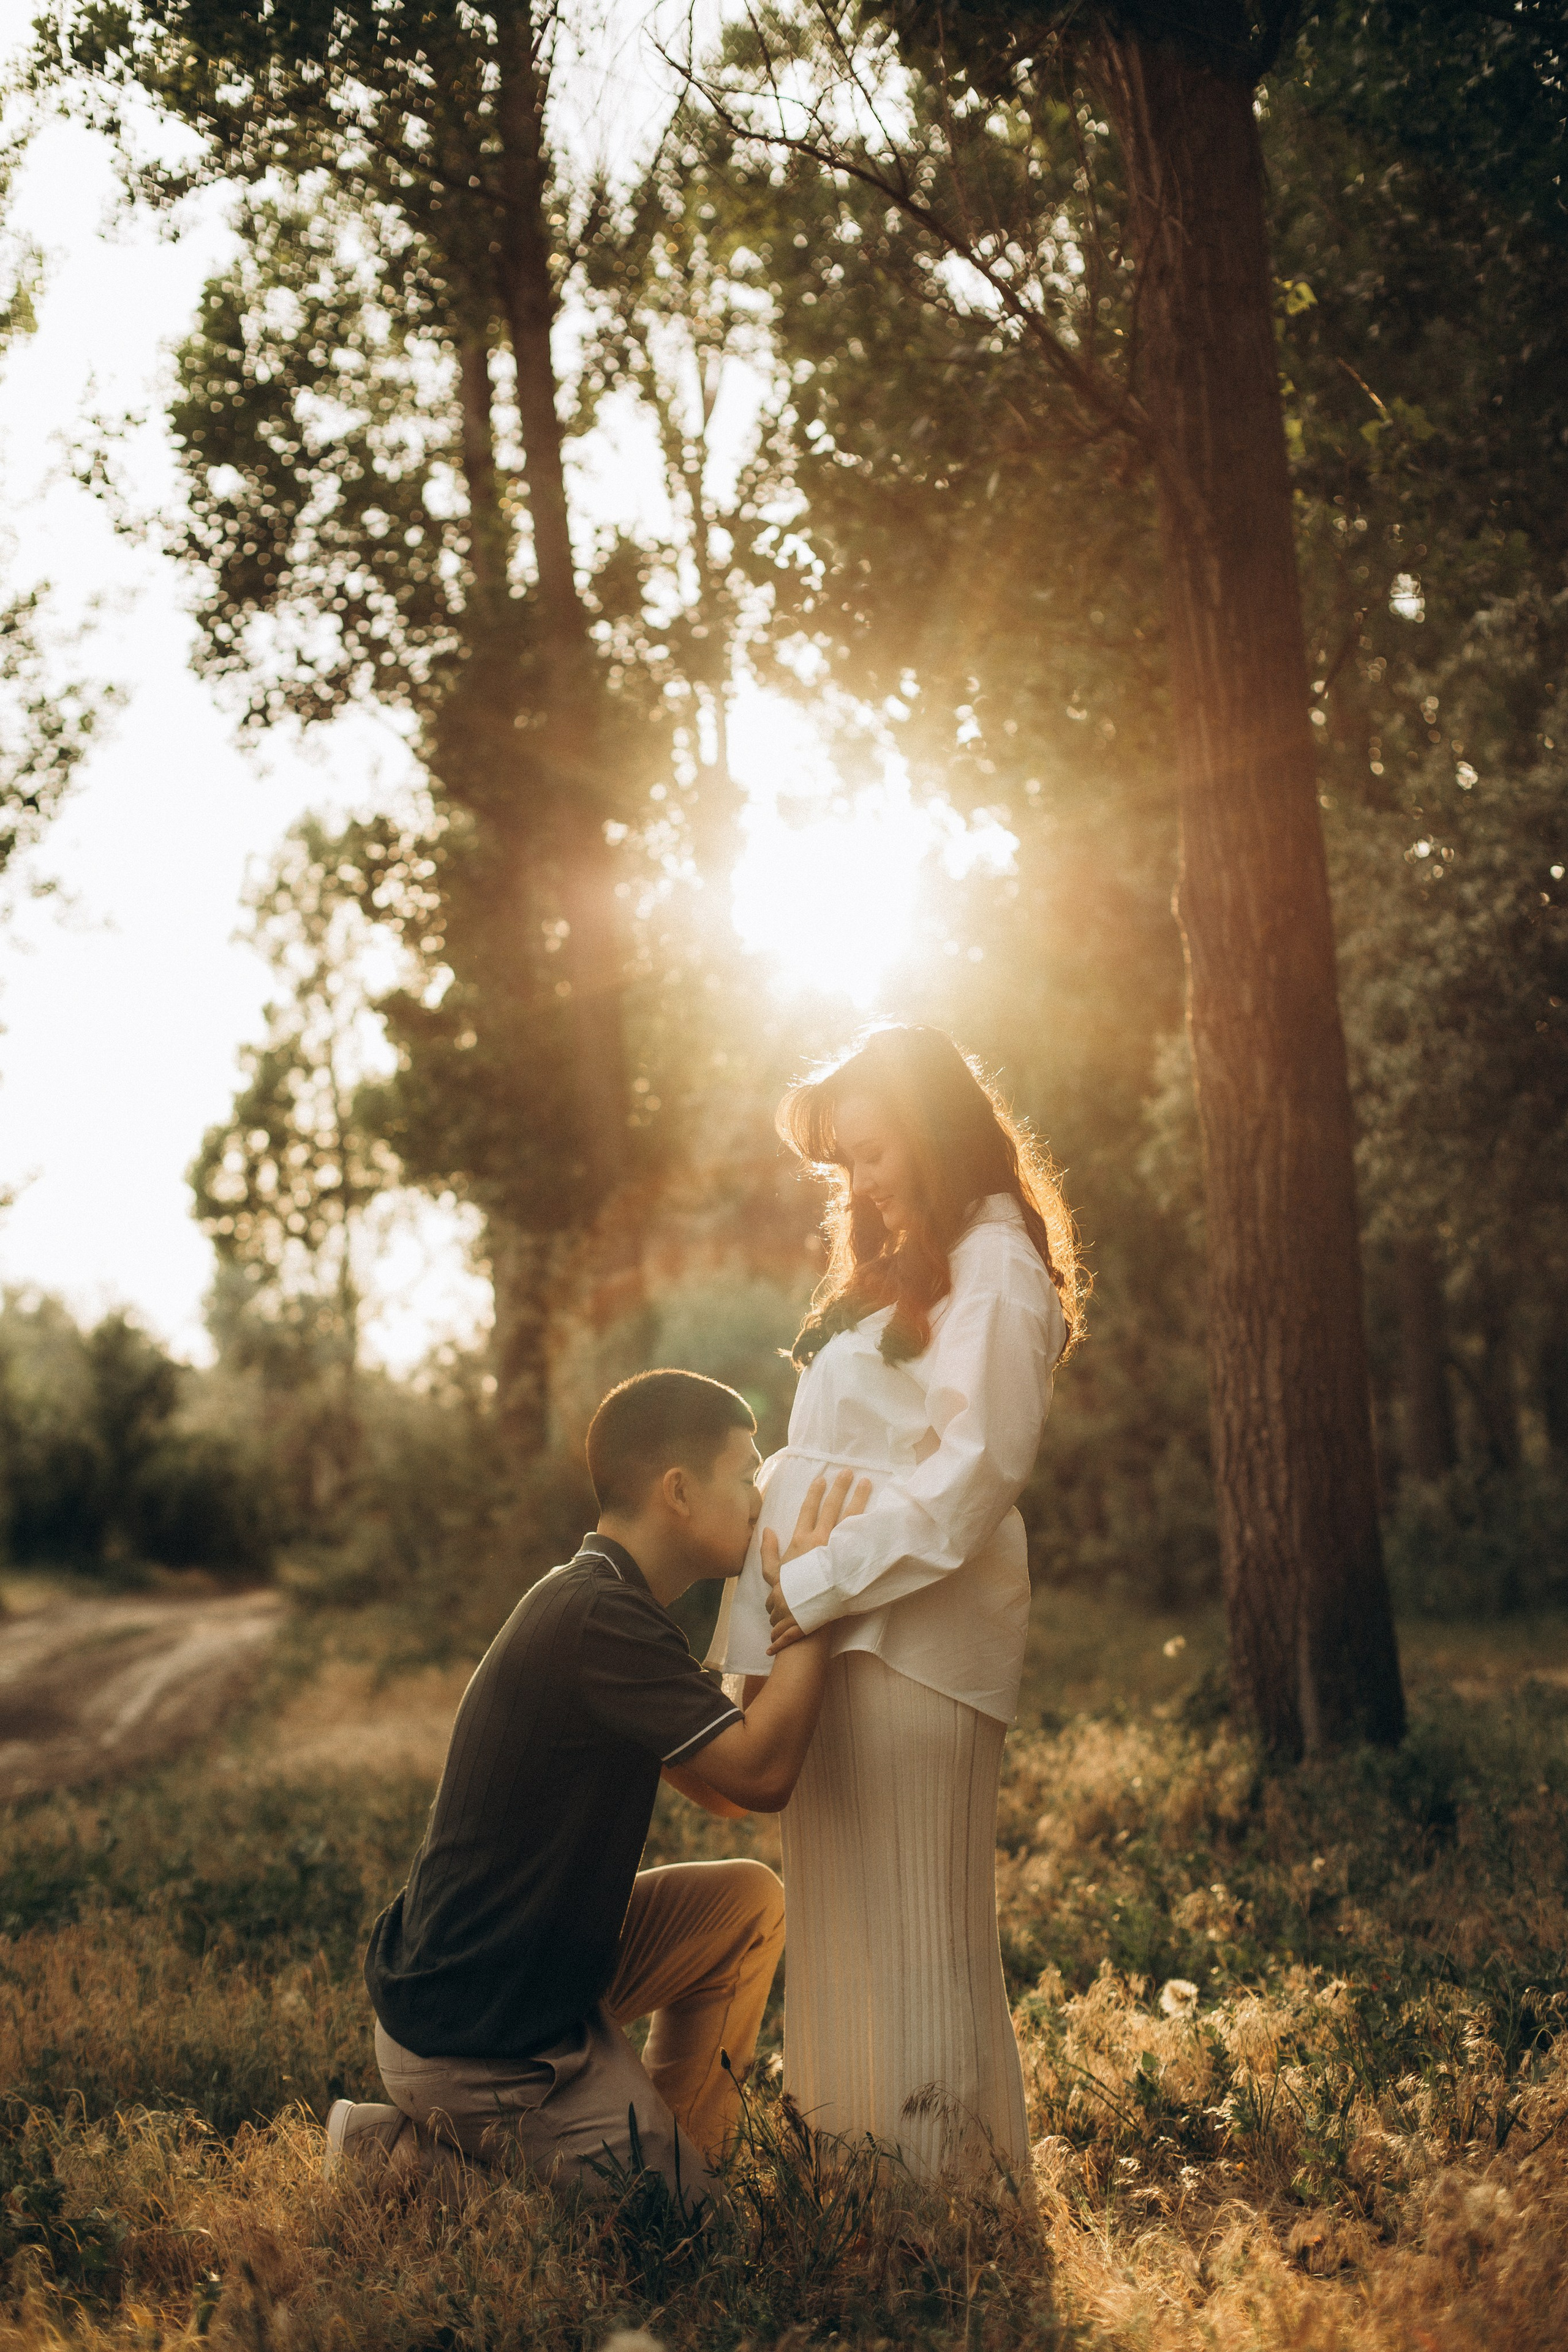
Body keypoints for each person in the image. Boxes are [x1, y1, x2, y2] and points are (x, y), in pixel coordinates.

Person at [325, 1368, 868, 2201]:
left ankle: (678, 2158)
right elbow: (763, 1775)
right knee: (670, 2240)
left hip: (534, 1975)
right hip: (481, 2034)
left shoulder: (609, 1604)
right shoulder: (598, 1620)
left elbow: (727, 1785)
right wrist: (818, 1596)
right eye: (744, 1472)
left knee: (744, 1908)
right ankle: (394, 2157)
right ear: (678, 1492)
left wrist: (770, 1608)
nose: (760, 1501)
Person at [708, 1025, 1082, 2182]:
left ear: (930, 1128)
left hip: (909, 1647)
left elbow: (970, 1480)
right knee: (851, 1926)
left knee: (918, 1927)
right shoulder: (943, 1271)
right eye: (845, 1166)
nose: (859, 1185)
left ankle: (939, 2216)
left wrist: (809, 1585)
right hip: (844, 1638)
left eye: (871, 1153)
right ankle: (855, 2189)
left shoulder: (1002, 1267)